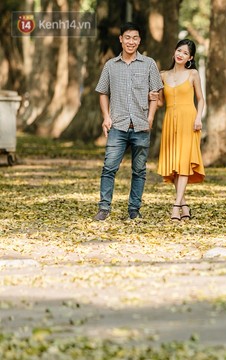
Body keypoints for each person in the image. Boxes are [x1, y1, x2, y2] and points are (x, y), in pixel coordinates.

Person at [93, 22, 163, 221]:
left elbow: (156, 94)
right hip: (118, 126)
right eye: (127, 38)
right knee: (109, 168)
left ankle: (134, 209)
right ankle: (104, 208)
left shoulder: (149, 64)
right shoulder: (110, 66)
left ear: (139, 40)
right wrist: (106, 117)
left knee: (139, 170)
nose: (131, 42)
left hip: (141, 125)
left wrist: (150, 118)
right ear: (121, 39)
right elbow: (103, 93)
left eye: (135, 38)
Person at [152, 39, 205, 221]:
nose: (180, 54)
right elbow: (159, 103)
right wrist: (150, 96)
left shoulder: (193, 74)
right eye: (179, 50)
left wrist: (199, 117)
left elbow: (201, 99)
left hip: (189, 121)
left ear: (190, 58)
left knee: (183, 163)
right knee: (174, 165)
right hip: (170, 121)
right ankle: (184, 204)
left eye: (185, 53)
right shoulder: (163, 75)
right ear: (175, 51)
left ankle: (176, 206)